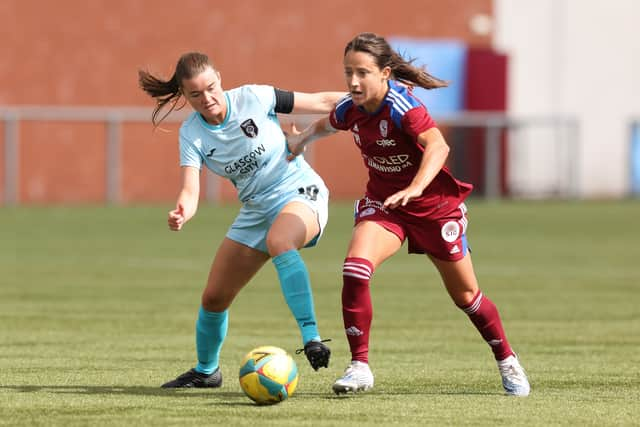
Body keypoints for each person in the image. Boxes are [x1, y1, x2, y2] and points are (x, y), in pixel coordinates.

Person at [286, 33, 530, 397]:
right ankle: (359, 366)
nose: (353, 81)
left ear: (385, 73)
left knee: (467, 297)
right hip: (386, 206)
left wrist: (417, 187)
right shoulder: (349, 108)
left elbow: (438, 144)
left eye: (363, 73)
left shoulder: (401, 106)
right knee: (355, 268)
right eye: (348, 72)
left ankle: (507, 359)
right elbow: (326, 124)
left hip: (434, 209)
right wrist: (300, 141)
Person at [138, 52, 344, 388]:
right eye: (195, 95)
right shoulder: (192, 133)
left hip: (299, 190)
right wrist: (182, 212)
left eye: (211, 88)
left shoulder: (254, 96)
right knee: (214, 298)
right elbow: (190, 190)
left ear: (219, 77)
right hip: (256, 210)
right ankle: (207, 372)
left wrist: (369, 99)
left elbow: (320, 101)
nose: (207, 99)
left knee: (281, 241)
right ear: (185, 96)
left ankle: (312, 337)